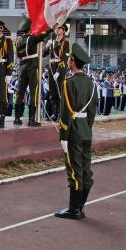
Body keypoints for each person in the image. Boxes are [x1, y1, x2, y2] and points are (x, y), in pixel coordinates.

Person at [54, 43, 98, 220]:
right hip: (86, 130)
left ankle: (74, 210)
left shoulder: (68, 83)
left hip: (73, 132)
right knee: (86, 170)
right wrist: (86, 127)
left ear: (72, 62)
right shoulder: (92, 84)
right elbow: (92, 112)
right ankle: (80, 207)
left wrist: (63, 136)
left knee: (74, 170)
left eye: (69, 60)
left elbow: (65, 112)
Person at [14, 18, 52, 126]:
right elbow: (43, 35)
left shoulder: (18, 40)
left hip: (22, 67)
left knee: (20, 93)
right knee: (33, 92)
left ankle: (17, 118)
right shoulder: (31, 39)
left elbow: (17, 55)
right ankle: (31, 120)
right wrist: (50, 28)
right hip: (32, 67)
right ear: (29, 29)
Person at [44, 23, 70, 121]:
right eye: (56, 29)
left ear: (63, 31)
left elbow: (65, 58)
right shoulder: (52, 41)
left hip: (59, 68)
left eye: (59, 28)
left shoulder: (65, 42)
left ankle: (60, 114)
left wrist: (59, 71)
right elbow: (44, 54)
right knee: (52, 93)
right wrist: (47, 46)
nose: (57, 30)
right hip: (51, 68)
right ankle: (55, 113)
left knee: (59, 93)